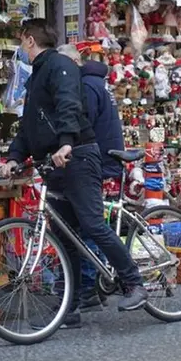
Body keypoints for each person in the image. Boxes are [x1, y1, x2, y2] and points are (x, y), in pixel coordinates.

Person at [1, 19, 147, 329]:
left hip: (76, 156)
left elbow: (70, 106)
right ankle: (72, 305)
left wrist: (66, 143)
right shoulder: (38, 75)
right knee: (67, 237)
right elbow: (30, 126)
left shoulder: (59, 66)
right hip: (54, 162)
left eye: (21, 42)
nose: (20, 49)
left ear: (29, 40)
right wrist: (14, 156)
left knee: (93, 225)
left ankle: (134, 283)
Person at [58, 43, 125, 312]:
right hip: (106, 156)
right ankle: (89, 286)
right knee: (88, 223)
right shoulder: (96, 82)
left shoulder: (85, 86)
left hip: (99, 159)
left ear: (73, 64)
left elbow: (80, 125)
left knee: (87, 225)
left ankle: (87, 288)